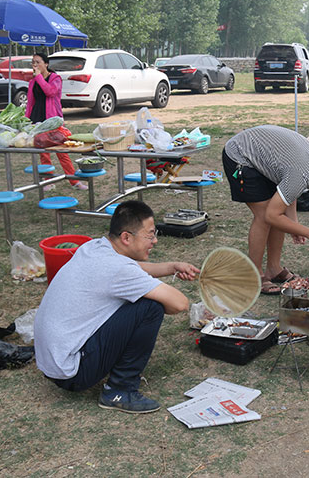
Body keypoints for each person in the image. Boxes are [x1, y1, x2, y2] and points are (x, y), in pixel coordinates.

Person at [34, 201, 199, 413]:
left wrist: (172, 267)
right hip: (73, 372)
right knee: (151, 307)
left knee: (141, 298)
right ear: (126, 237)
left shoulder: (94, 247)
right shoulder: (117, 269)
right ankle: (119, 390)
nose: (155, 241)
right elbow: (180, 304)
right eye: (149, 235)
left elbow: (133, 268)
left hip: (53, 361)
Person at [222, 125, 309, 295]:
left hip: (261, 156)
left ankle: (274, 268)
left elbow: (289, 192)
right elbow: (272, 215)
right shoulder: (303, 171)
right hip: (240, 155)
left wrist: (293, 223)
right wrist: (308, 232)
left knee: (279, 213)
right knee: (264, 216)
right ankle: (254, 274)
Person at [25, 52, 86, 190]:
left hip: (53, 119)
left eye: (38, 62)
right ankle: (48, 181)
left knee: (61, 150)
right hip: (37, 118)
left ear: (46, 64)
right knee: (43, 152)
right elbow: (30, 102)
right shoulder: (32, 82)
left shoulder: (55, 78)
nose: (35, 65)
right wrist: (27, 119)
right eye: (33, 62)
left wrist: (39, 77)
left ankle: (74, 181)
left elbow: (50, 92)